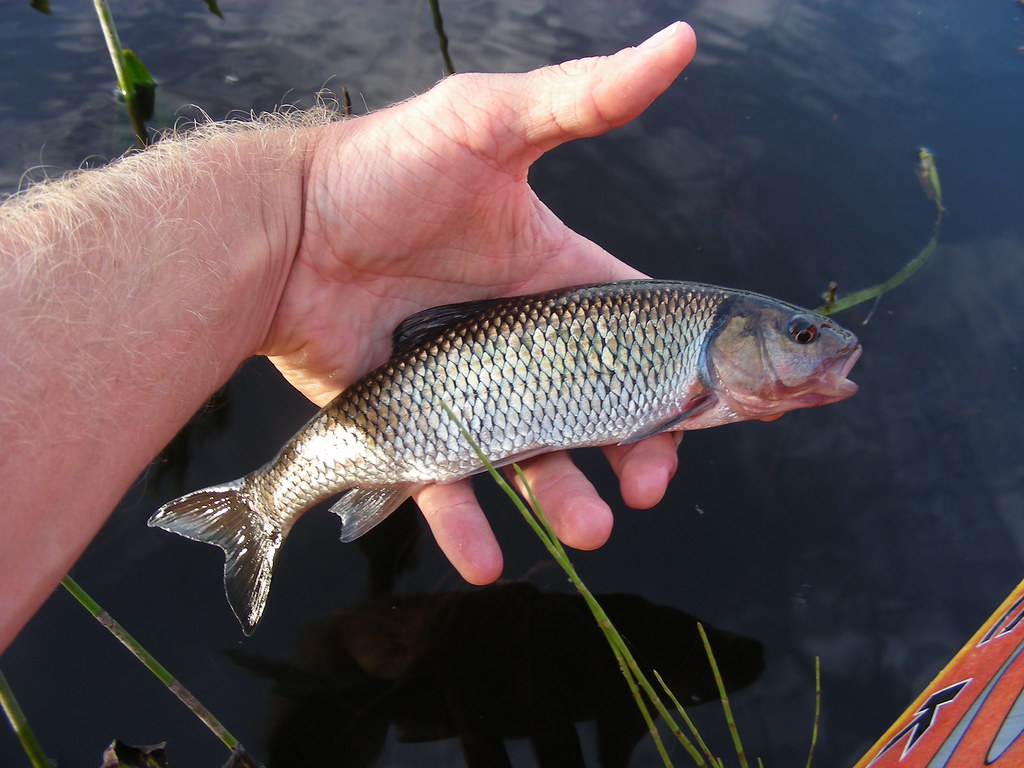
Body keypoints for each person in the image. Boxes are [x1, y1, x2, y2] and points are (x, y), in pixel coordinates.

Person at [0, 22, 697, 652]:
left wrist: (294, 217)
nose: (808, 347)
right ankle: (258, 506)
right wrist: (295, 213)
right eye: (788, 334)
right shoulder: (691, 356)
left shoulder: (692, 344)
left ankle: (268, 502)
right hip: (415, 403)